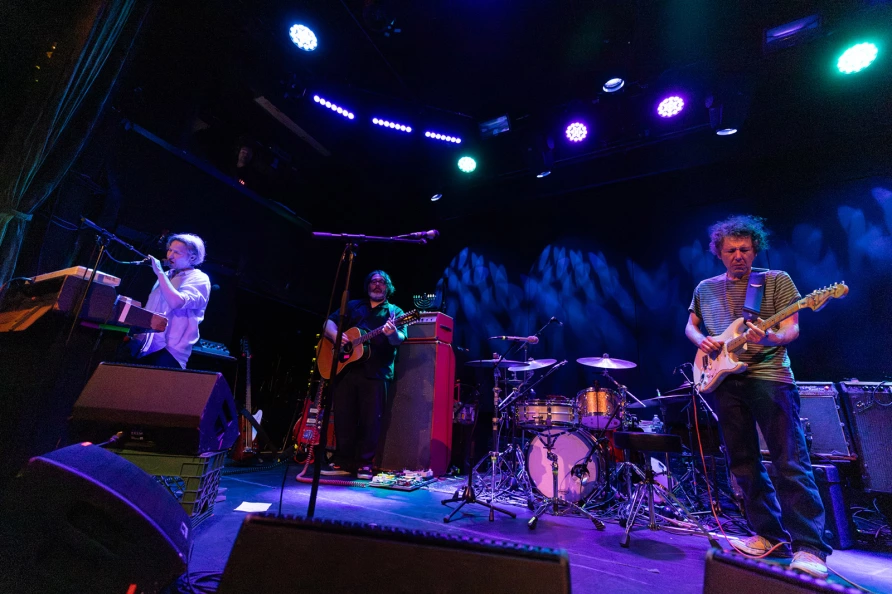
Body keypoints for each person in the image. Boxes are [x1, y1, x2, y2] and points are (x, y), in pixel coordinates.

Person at [684, 215, 831, 579]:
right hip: (724, 380)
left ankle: (810, 546)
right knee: (742, 462)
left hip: (770, 377)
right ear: (719, 253)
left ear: (755, 249)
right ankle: (769, 535)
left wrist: (770, 337)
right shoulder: (705, 288)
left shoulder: (776, 280)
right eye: (731, 250)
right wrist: (701, 341)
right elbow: (691, 325)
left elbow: (791, 329)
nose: (739, 256)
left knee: (789, 460)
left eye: (745, 249)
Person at [320, 270, 406, 479]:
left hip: (376, 373)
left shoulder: (395, 311)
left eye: (382, 282)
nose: (377, 284)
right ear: (368, 285)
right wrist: (336, 335)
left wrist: (392, 333)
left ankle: (364, 464)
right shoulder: (353, 306)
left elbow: (399, 339)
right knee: (344, 418)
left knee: (371, 421)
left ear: (388, 287)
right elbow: (327, 323)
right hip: (346, 370)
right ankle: (342, 462)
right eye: (373, 281)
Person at [133, 233, 211, 369]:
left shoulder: (199, 278)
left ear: (192, 257)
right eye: (170, 250)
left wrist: (160, 273)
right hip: (146, 346)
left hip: (170, 351)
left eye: (177, 252)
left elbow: (176, 303)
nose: (170, 256)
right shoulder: (167, 275)